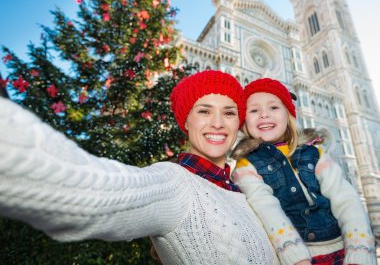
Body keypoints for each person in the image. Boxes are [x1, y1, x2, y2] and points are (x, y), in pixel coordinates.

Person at [0, 70, 312, 264]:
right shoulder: (174, 183)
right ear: (185, 121)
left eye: (229, 113)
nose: (218, 122)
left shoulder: (248, 192)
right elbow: (85, 190)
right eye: (204, 110)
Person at [231, 77, 376, 265]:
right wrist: (296, 258)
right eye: (254, 110)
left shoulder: (315, 154)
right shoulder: (246, 166)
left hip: (344, 252)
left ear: (288, 116)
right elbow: (266, 209)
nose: (264, 114)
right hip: (296, 258)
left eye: (274, 107)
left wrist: (360, 251)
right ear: (244, 122)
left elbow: (347, 200)